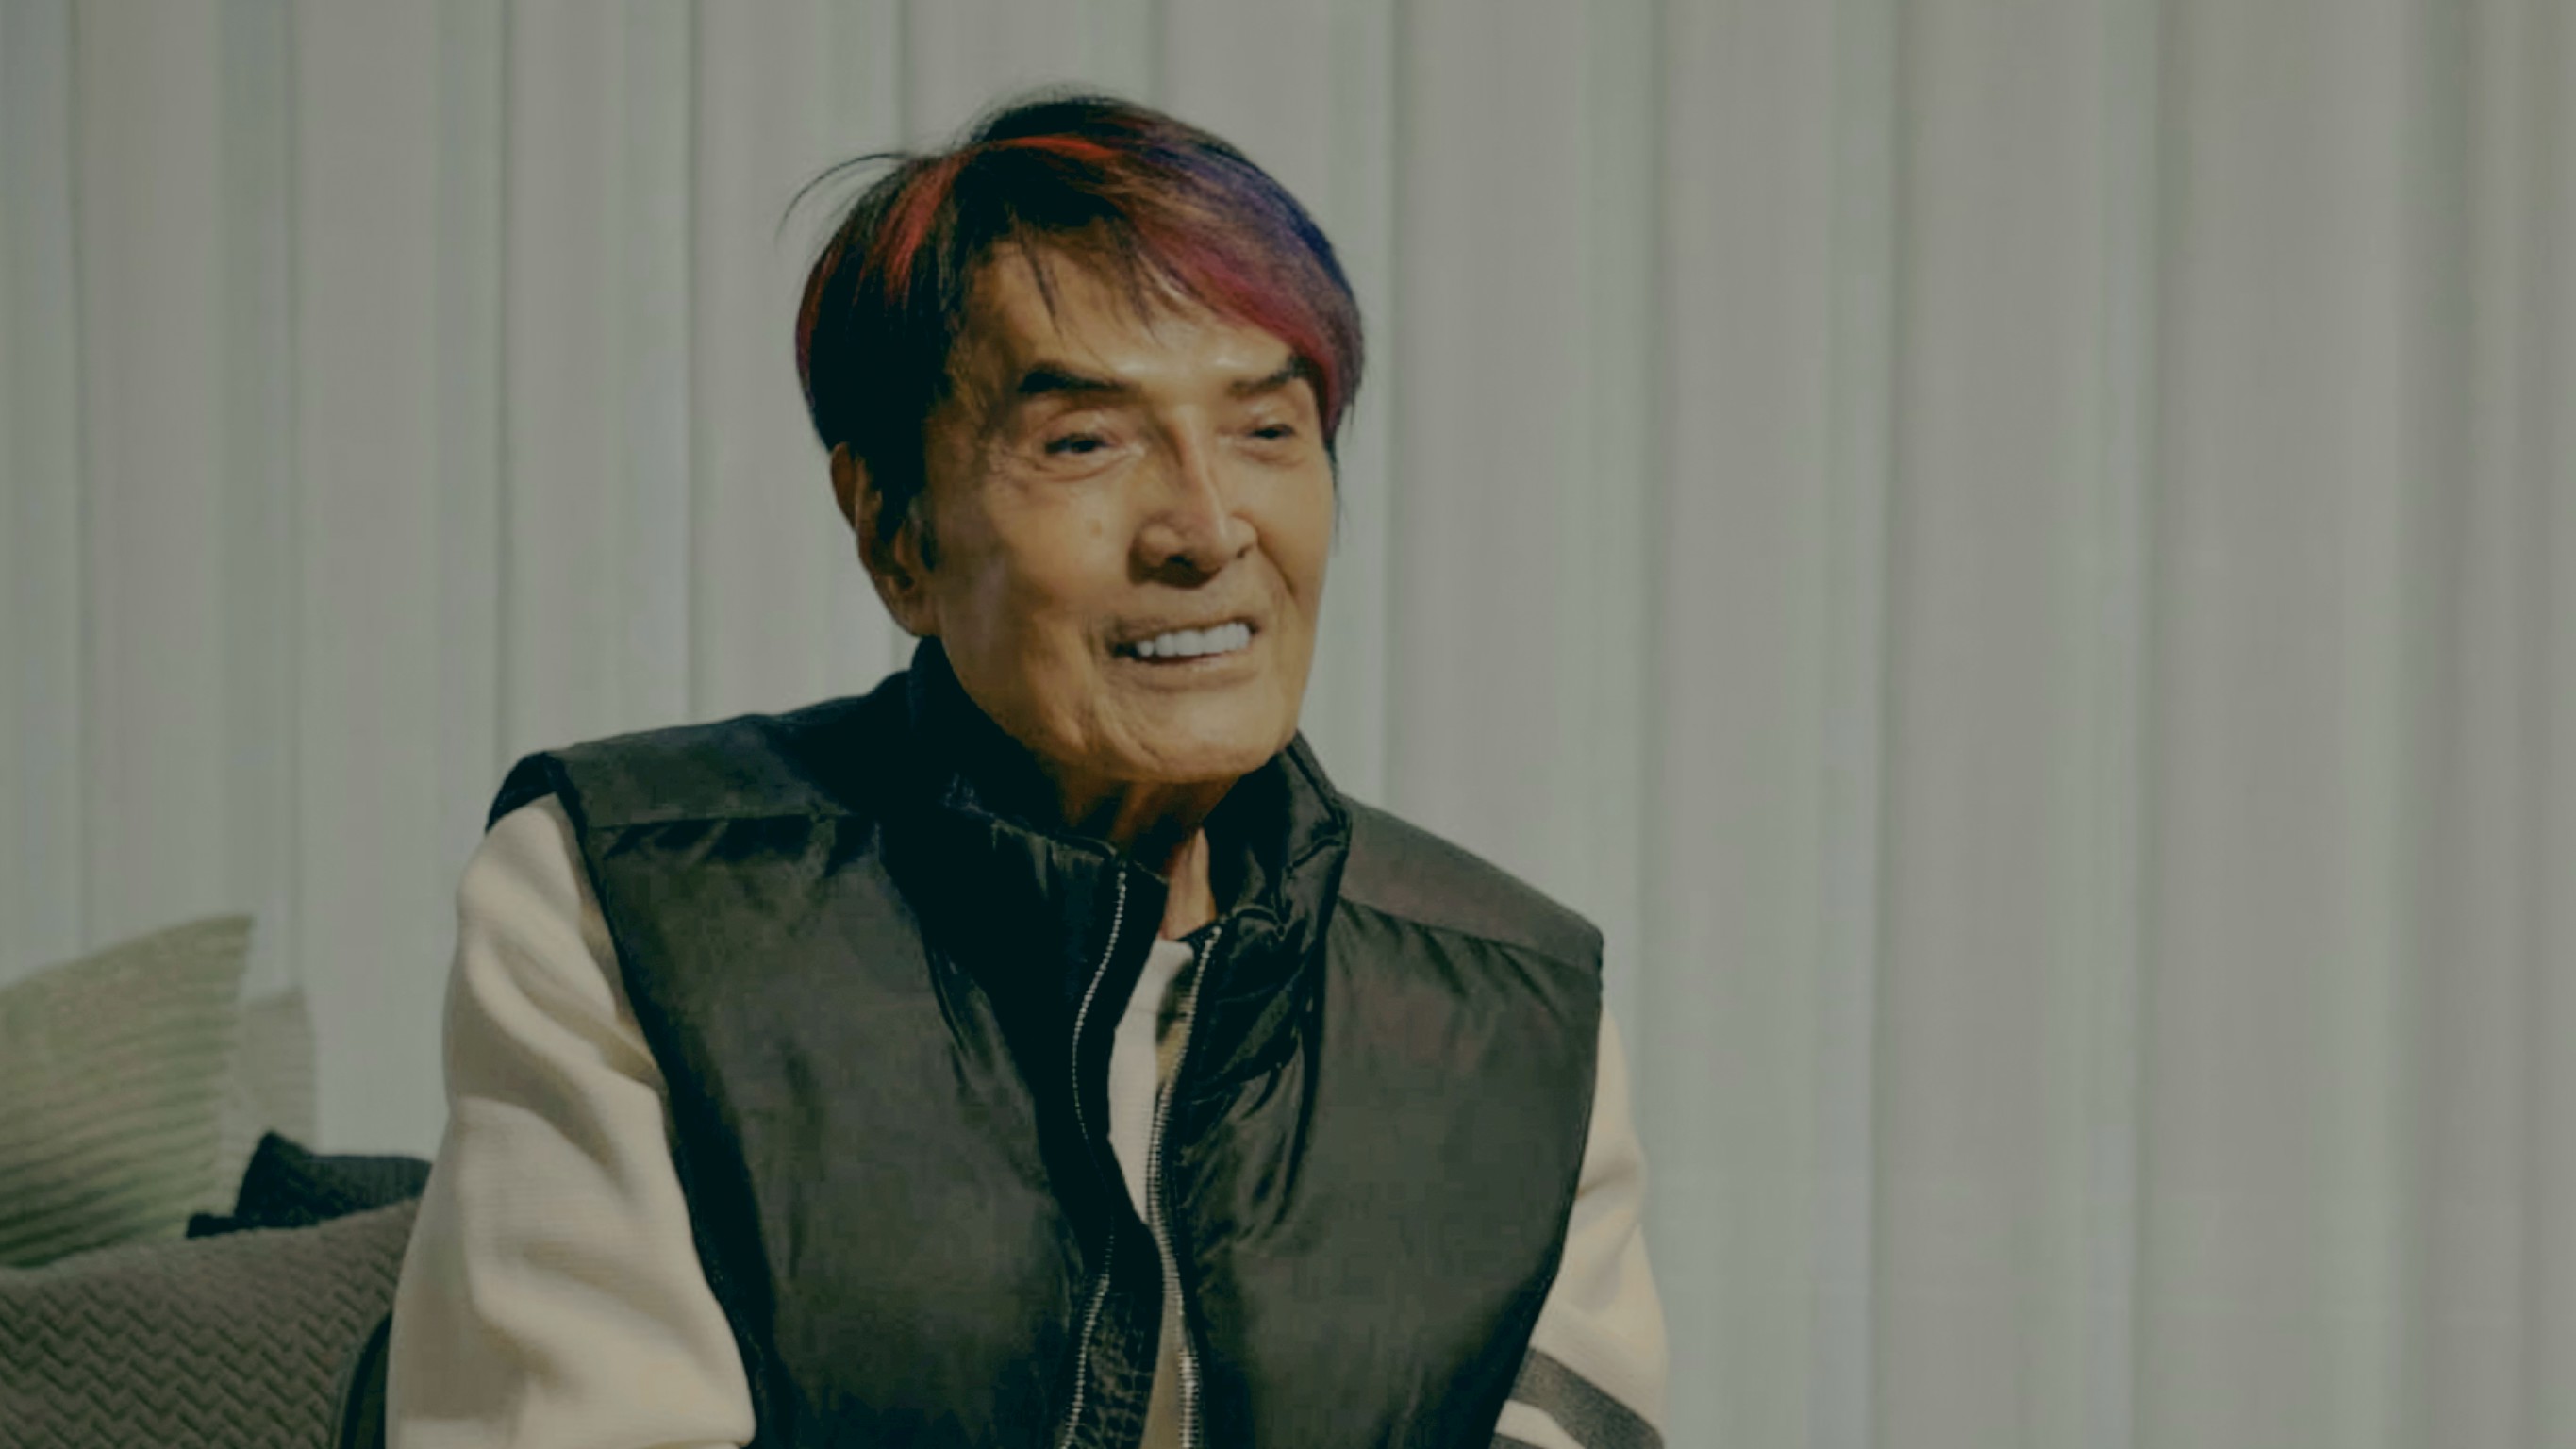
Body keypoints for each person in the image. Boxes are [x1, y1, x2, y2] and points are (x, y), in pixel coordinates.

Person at [384, 92, 1665, 1449]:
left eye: (1266, 430)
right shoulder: (634, 902)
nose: (1204, 527)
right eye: (1083, 442)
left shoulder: (1517, 1013)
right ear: (896, 533)